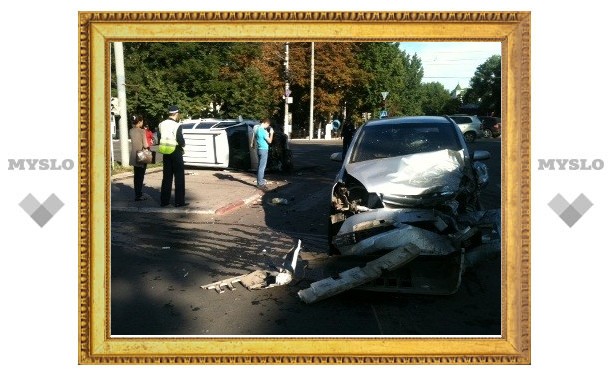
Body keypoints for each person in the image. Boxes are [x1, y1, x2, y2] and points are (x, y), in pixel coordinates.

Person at [158, 105, 187, 207]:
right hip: (175, 151)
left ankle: (164, 201)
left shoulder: (161, 124)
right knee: (179, 177)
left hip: (166, 152)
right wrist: (183, 144)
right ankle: (179, 201)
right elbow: (180, 139)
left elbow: (159, 137)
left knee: (166, 177)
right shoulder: (177, 125)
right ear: (176, 114)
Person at [128, 115, 149, 201]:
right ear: (139, 122)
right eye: (142, 121)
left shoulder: (131, 131)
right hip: (141, 155)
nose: (143, 122)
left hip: (133, 155)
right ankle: (139, 195)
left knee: (136, 176)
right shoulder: (142, 131)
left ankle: (137, 193)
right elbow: (145, 145)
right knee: (140, 176)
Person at [253, 118, 273, 189]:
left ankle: (259, 181)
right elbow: (270, 141)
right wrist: (271, 133)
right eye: (268, 125)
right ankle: (260, 184)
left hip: (259, 149)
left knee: (259, 166)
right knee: (262, 167)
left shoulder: (257, 129)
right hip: (264, 149)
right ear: (266, 123)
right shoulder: (263, 131)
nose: (267, 127)